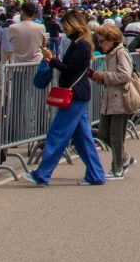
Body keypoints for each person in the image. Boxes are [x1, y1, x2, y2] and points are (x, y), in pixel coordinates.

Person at [29, 15, 107, 186]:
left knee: (57, 134)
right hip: (78, 93)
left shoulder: (81, 45)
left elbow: (69, 69)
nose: (64, 29)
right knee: (82, 139)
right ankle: (96, 174)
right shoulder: (82, 43)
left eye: (66, 26)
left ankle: (42, 174)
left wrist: (51, 59)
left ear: (74, 25)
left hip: (74, 94)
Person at [93, 25, 137, 179]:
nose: (100, 44)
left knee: (116, 135)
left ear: (111, 40)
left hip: (120, 98)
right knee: (104, 133)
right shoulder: (111, 54)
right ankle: (125, 158)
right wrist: (101, 77)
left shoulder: (120, 53)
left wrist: (105, 76)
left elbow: (125, 75)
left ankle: (117, 167)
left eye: (102, 41)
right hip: (110, 97)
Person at [4, 1, 47, 65]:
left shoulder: (12, 28)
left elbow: (12, 42)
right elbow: (44, 46)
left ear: (22, 12)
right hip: (36, 65)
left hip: (18, 66)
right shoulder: (41, 27)